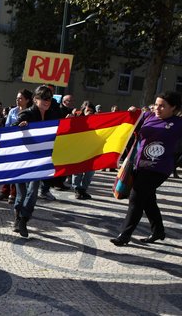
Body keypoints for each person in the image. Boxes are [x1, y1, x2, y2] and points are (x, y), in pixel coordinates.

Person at [110, 91, 182, 246]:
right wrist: (132, 113)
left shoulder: (178, 123)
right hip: (139, 164)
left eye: (163, 106)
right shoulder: (148, 116)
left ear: (173, 108)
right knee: (148, 200)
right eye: (156, 104)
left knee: (136, 198)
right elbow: (130, 123)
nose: (157, 108)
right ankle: (158, 231)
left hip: (159, 168)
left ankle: (125, 235)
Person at [12, 85, 61, 237]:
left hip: (40, 159)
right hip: (22, 159)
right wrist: (20, 126)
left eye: (49, 98)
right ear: (35, 99)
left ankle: (24, 220)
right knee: (21, 193)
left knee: (33, 192)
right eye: (43, 98)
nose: (47, 101)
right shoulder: (27, 113)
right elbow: (12, 130)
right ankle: (17, 218)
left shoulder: (53, 114)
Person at [0, 89, 33, 204]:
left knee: (18, 168)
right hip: (12, 142)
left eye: (20, 98)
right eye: (17, 98)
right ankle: (5, 191)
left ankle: (14, 193)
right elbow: (7, 126)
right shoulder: (12, 111)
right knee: (8, 167)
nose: (17, 100)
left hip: (24, 144)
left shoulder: (31, 112)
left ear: (27, 100)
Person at [71, 102, 97, 200]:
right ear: (83, 111)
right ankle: (77, 189)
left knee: (90, 172)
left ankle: (83, 190)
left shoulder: (97, 121)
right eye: (87, 110)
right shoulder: (78, 120)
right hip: (79, 149)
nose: (89, 112)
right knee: (78, 171)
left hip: (92, 150)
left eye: (91, 111)